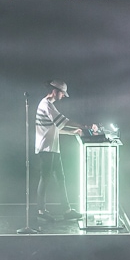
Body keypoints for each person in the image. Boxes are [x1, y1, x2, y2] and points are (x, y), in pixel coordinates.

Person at [35, 80, 84, 221]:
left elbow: (56, 128)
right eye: (63, 93)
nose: (63, 96)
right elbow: (63, 121)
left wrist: (73, 132)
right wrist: (84, 126)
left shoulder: (47, 104)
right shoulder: (47, 105)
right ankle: (41, 211)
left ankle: (66, 210)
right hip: (46, 148)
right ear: (55, 91)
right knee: (45, 179)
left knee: (60, 179)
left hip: (52, 148)